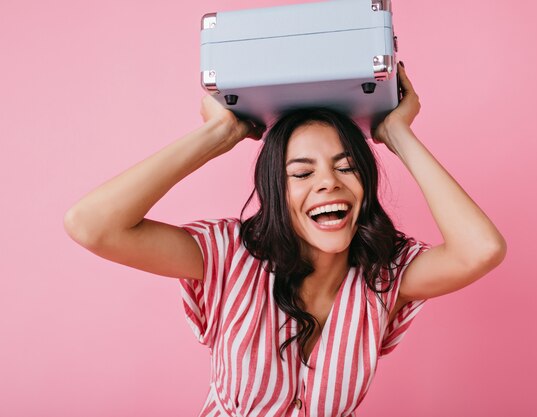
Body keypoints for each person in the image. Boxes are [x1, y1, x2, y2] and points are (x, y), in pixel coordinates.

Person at [64, 62, 506, 416]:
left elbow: (481, 250)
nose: (328, 183)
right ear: (279, 192)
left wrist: (396, 134)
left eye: (347, 166)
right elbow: (92, 225)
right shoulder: (228, 255)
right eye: (302, 173)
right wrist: (219, 133)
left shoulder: (386, 274)